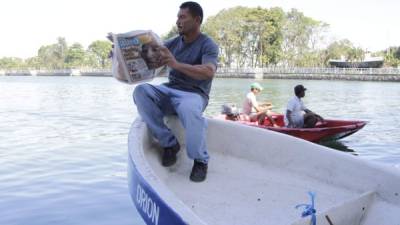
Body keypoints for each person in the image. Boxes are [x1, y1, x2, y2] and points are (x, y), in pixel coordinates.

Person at [133, 2, 219, 182]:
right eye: (177, 17)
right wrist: (121, 52)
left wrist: (176, 64)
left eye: (182, 17)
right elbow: (151, 56)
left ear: (197, 20)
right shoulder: (173, 42)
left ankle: (200, 160)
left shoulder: (208, 44)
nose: (178, 21)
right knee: (141, 91)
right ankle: (170, 144)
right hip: (169, 89)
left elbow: (208, 71)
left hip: (194, 94)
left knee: (189, 109)